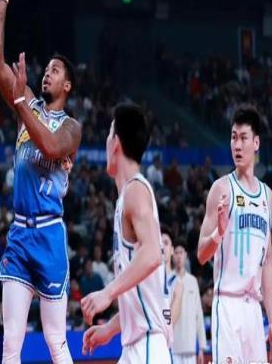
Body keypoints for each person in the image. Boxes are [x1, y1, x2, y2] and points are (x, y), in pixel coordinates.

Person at [0, 0, 82, 364]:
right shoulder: (26, 102)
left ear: (68, 85)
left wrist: (20, 103)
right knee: (11, 342)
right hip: (19, 233)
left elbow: (49, 146)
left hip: (49, 233)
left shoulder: (71, 127)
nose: (47, 73)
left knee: (55, 339)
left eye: (55, 70)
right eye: (46, 69)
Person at [80, 103, 171, 363]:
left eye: (109, 134)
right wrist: (110, 328)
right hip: (136, 347)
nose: (106, 142)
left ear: (116, 144)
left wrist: (107, 292)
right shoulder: (127, 197)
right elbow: (143, 295)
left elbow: (153, 254)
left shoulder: (135, 191)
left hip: (148, 346)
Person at [197, 105, 272, 364]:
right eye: (234, 137)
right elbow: (201, 254)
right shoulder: (221, 188)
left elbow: (267, 262)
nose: (237, 145)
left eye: (244, 138)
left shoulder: (267, 196)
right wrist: (219, 233)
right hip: (227, 305)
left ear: (256, 143)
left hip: (254, 310)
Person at [171, 241, 206, 364]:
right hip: (173, 347)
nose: (179, 256)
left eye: (181, 253)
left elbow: (199, 315)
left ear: (185, 255)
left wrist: (201, 347)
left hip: (190, 347)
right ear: (172, 255)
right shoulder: (168, 280)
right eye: (176, 253)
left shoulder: (193, 281)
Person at [161, 228, 183, 326]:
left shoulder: (177, 283)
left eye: (166, 243)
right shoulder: (148, 279)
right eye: (159, 243)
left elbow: (171, 322)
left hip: (162, 333)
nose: (162, 247)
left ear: (172, 250)